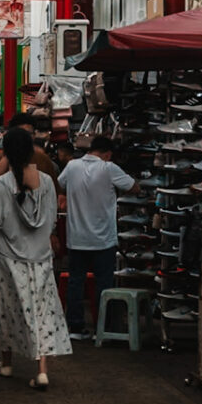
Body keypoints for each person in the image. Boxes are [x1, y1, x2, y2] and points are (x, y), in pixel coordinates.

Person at [0, 126, 70, 390]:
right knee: (42, 313)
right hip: (41, 258)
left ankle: (6, 364)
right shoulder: (46, 183)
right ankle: (42, 370)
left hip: (8, 260)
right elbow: (53, 221)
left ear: (5, 152)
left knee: (8, 311)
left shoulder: (0, 185)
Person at [57, 132, 138, 340]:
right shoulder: (109, 168)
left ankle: (75, 328)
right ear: (108, 154)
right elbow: (134, 187)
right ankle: (103, 327)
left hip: (77, 237)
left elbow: (61, 183)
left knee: (76, 282)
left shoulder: (73, 166)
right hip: (103, 239)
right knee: (104, 284)